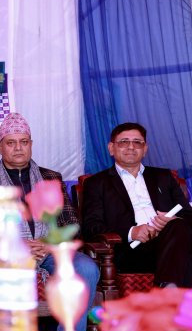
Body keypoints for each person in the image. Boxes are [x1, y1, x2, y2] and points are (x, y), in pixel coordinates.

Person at [0, 112, 99, 331]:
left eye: (24, 142)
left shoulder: (51, 178)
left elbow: (71, 222)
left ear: (31, 144)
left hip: (51, 251)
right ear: (0, 147)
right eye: (11, 143)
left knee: (86, 268)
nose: (18, 148)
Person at [82, 122, 192, 287]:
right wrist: (131, 232)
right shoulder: (96, 183)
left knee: (178, 227)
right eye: (124, 142)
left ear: (145, 149)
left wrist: (173, 220)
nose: (131, 147)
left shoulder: (163, 177)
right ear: (111, 148)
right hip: (131, 249)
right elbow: (91, 227)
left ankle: (168, 288)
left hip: (172, 240)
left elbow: (188, 215)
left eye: (137, 142)